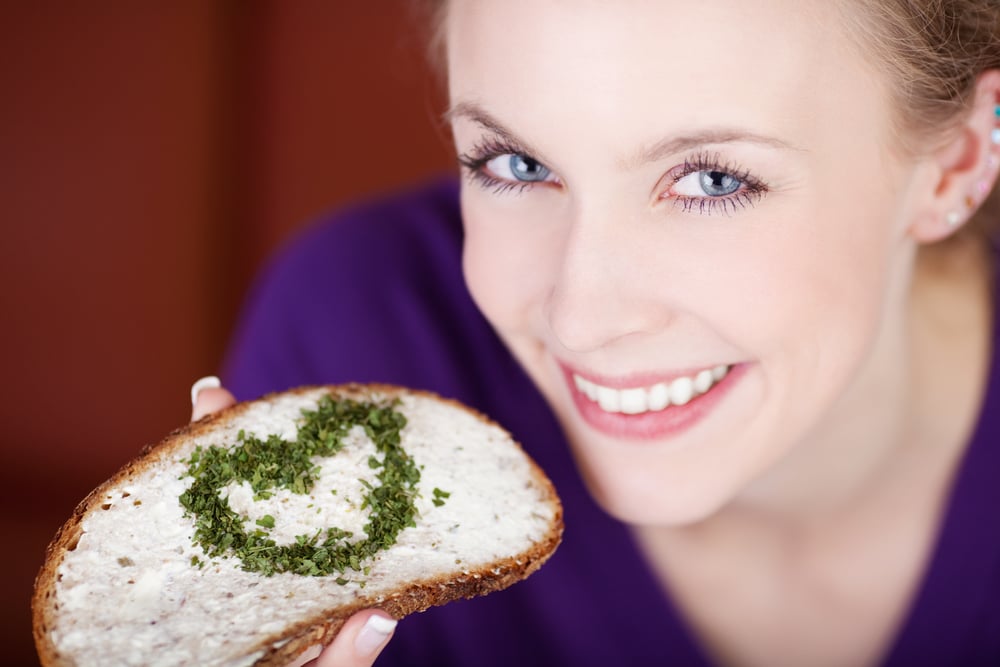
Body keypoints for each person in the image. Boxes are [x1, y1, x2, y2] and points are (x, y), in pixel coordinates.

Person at [192, 1, 1000, 665]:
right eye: (514, 164)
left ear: (957, 163)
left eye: (712, 180)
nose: (580, 320)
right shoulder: (359, 337)